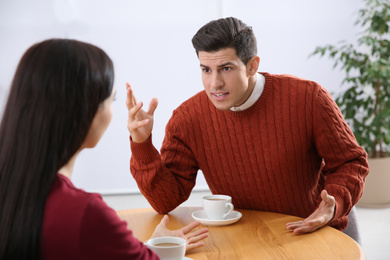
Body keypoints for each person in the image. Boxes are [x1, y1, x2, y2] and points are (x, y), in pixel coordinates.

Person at [126, 17, 369, 239]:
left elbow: (351, 162)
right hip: (247, 239)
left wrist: (334, 203)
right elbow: (165, 201)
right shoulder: (187, 119)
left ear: (253, 65)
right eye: (206, 70)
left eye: (226, 68)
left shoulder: (309, 99)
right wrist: (141, 144)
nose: (215, 83)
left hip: (309, 232)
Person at [0, 39, 208, 260]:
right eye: (113, 99)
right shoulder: (85, 214)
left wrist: (143, 248)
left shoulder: (15, 191)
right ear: (85, 110)